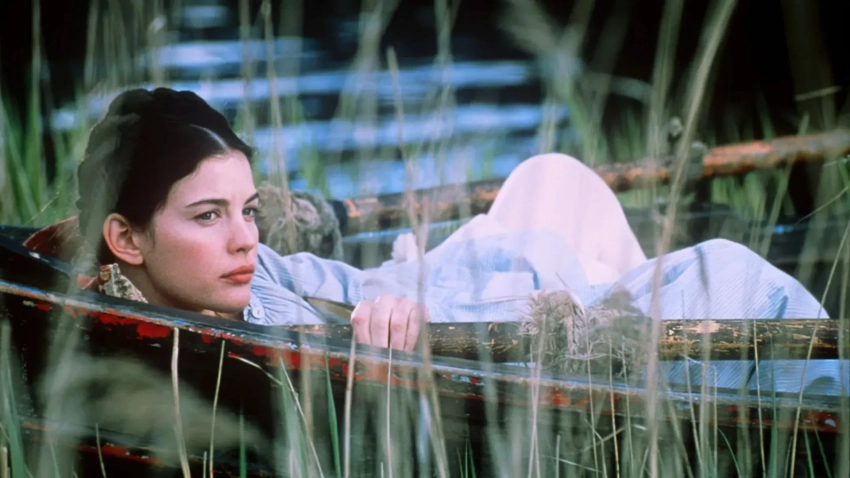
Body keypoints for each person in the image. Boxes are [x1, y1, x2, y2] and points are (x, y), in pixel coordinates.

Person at [72, 87, 829, 363]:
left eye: (248, 210)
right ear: (125, 238)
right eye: (208, 216)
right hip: (489, 321)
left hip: (473, 290)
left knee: (552, 179)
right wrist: (381, 348)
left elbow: (342, 285)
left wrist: (388, 305)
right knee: (733, 274)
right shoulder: (180, 331)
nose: (245, 238)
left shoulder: (241, 276)